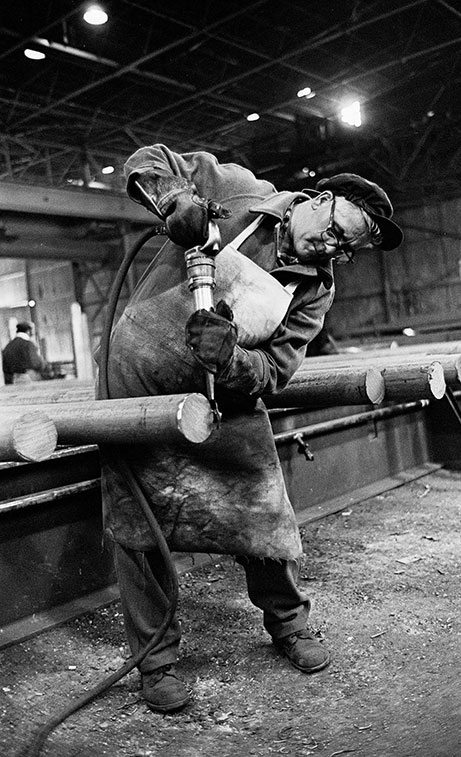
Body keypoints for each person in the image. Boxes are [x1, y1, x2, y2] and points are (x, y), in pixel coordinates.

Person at [100, 144, 403, 714]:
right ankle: (156, 662)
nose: (332, 247)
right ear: (320, 199)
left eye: (346, 248)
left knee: (264, 508)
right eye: (336, 230)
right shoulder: (238, 190)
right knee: (137, 522)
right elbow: (149, 158)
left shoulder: (316, 286)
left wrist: (230, 356)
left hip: (226, 396)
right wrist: (176, 201)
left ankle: (290, 625)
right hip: (140, 376)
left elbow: (275, 371)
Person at [2, 321, 45, 385]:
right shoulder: (28, 345)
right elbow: (35, 363)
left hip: (11, 380)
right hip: (27, 378)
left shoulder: (9, 346)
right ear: (28, 331)